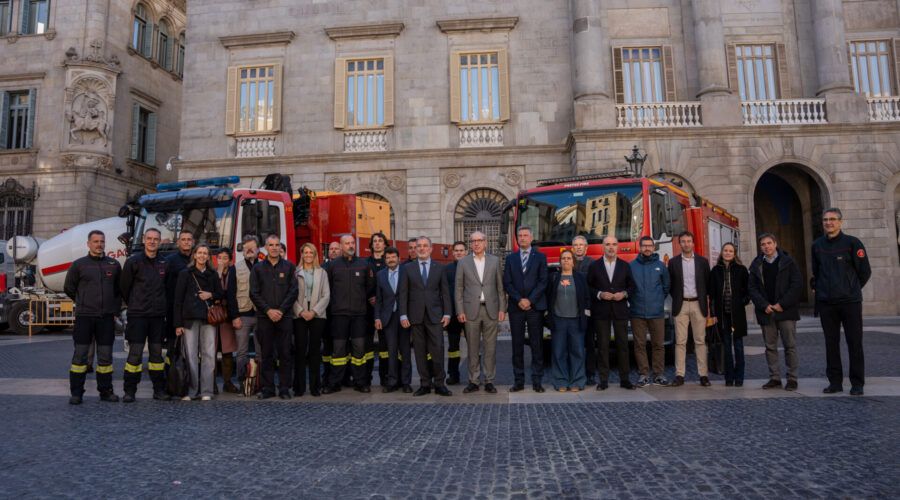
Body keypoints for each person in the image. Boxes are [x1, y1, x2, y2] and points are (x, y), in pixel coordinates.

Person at [811, 208, 871, 396]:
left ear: (840, 222)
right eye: (825, 219)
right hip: (827, 303)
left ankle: (857, 383)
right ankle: (835, 382)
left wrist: (851, 288)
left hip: (850, 302)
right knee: (831, 344)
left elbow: (865, 271)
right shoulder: (817, 245)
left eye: (833, 219)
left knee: (854, 343)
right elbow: (817, 273)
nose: (829, 222)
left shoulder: (853, 243)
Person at [63, 230, 122, 405]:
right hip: (84, 318)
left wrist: (114, 310)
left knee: (105, 358)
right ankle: (76, 393)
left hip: (106, 319)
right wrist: (82, 302)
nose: (99, 244)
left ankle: (105, 391)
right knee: (80, 357)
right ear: (88, 244)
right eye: (95, 241)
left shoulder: (114, 264)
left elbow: (119, 291)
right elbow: (69, 288)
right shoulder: (79, 265)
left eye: (102, 241)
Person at [119, 228, 170, 402]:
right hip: (138, 316)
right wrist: (134, 303)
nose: (152, 242)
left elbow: (167, 289)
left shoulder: (165, 262)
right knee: (135, 354)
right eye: (149, 238)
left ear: (160, 241)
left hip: (157, 317)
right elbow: (124, 288)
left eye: (156, 239)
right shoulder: (133, 262)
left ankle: (159, 390)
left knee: (157, 355)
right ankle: (130, 391)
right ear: (143, 240)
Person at [748, 233, 803, 391]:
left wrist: (782, 304)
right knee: (770, 347)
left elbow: (796, 285)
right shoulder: (756, 264)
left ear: (775, 243)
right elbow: (752, 288)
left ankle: (792, 378)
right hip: (766, 311)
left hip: (785, 311)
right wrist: (764, 304)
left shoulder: (788, 261)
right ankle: (775, 378)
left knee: (790, 346)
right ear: (760, 247)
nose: (766, 246)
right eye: (763, 244)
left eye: (769, 243)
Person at [400, 236, 453, 396]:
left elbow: (445, 292)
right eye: (419, 246)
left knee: (437, 350)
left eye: (425, 246)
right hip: (415, 316)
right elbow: (403, 294)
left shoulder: (439, 268)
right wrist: (403, 315)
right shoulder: (408, 268)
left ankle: (439, 383)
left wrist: (447, 313)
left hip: (435, 316)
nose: (422, 249)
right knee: (420, 351)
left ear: (431, 249)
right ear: (415, 250)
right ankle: (424, 384)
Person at [323, 234, 375, 394]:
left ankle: (360, 382)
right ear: (341, 246)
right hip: (339, 315)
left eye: (352, 243)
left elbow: (369, 288)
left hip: (359, 315)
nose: (351, 246)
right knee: (338, 350)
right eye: (347, 243)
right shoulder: (333, 266)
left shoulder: (364, 264)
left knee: (359, 349)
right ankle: (335, 383)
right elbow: (328, 290)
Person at [455, 231, 506, 394]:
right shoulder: (463, 262)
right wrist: (460, 310)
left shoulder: (494, 261)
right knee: (472, 348)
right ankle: (473, 380)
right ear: (470, 244)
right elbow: (459, 289)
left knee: (490, 348)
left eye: (479, 240)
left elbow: (500, 287)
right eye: (473, 241)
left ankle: (489, 380)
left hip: (490, 309)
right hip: (470, 311)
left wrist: (502, 308)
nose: (476, 243)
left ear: (485, 243)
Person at [249, 235, 299, 399]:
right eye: (271, 245)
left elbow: (293, 292)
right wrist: (269, 310)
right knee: (267, 354)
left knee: (285, 354)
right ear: (265, 247)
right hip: (265, 318)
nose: (274, 248)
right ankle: (268, 388)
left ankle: (284, 388)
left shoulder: (289, 267)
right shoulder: (257, 269)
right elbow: (254, 293)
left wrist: (281, 311)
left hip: (284, 318)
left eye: (277, 245)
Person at [173, 244, 224, 401]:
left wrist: (210, 294)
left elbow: (220, 294)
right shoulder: (185, 274)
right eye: (199, 253)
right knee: (191, 355)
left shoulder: (213, 274)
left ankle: (207, 391)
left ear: (209, 257)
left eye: (205, 253)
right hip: (189, 319)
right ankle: (192, 390)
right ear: (194, 255)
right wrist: (178, 324)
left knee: (209, 355)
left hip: (208, 319)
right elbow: (178, 300)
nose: (202, 256)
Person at [587, 235, 635, 390]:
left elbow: (632, 287)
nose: (611, 247)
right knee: (602, 346)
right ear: (603, 246)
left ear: (618, 246)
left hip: (620, 310)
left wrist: (625, 294)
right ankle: (603, 380)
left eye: (614, 244)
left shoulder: (625, 266)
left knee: (623, 346)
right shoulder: (594, 266)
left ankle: (625, 379)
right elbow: (588, 288)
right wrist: (600, 294)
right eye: (608, 244)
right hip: (601, 311)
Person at [503, 226, 548, 393]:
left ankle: (537, 381)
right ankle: (519, 381)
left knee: (537, 344)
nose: (522, 238)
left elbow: (543, 281)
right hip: (516, 307)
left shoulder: (541, 257)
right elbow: (507, 282)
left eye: (525, 235)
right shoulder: (510, 259)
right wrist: (519, 299)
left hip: (534, 307)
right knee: (517, 345)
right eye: (520, 236)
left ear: (531, 238)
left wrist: (530, 300)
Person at [668, 231, 712, 387]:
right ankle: (679, 375)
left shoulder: (702, 262)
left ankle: (703, 375)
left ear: (693, 243)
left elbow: (708, 284)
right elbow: (670, 285)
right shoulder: (673, 263)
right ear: (679, 244)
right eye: (683, 241)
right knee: (680, 342)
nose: (686, 244)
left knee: (700, 341)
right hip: (681, 305)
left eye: (689, 241)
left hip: (697, 304)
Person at [629, 236, 671, 387]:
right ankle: (643, 374)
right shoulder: (632, 266)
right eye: (644, 246)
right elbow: (629, 287)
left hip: (656, 312)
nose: (647, 248)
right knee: (639, 345)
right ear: (640, 248)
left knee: (658, 344)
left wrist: (658, 300)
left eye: (650, 246)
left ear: (653, 248)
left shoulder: (661, 266)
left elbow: (666, 287)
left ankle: (659, 374)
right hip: (637, 311)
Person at [548, 249, 590, 392]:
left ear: (573, 262)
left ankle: (577, 381)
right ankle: (560, 381)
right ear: (560, 262)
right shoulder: (553, 278)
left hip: (576, 321)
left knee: (577, 352)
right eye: (563, 258)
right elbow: (549, 298)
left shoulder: (580, 278)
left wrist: (586, 316)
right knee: (559, 352)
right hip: (559, 320)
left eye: (568, 258)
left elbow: (586, 298)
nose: (566, 261)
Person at [710, 242, 750, 387]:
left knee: (738, 346)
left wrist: (742, 302)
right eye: (725, 250)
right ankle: (729, 378)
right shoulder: (715, 271)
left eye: (730, 251)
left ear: (734, 254)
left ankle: (739, 378)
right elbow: (712, 295)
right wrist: (713, 313)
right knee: (726, 347)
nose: (727, 253)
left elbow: (748, 290)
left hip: (737, 315)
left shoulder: (741, 270)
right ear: (722, 252)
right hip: (722, 316)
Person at [293, 243, 330, 397]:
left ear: (315, 255)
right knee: (300, 351)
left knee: (315, 352)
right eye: (305, 252)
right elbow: (291, 295)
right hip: (299, 316)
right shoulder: (295, 272)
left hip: (317, 316)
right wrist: (301, 311)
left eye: (311, 253)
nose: (308, 255)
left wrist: (314, 312)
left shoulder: (322, 273)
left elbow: (326, 295)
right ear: (302, 254)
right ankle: (299, 388)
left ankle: (315, 387)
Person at [374, 247, 412, 393]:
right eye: (388, 258)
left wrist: (408, 314)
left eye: (393, 257)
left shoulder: (406, 272)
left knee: (406, 350)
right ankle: (392, 381)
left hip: (404, 317)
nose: (391, 260)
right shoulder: (380, 275)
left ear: (398, 258)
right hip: (387, 318)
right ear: (385, 260)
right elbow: (379, 299)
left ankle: (406, 382)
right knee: (391, 351)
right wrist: (377, 317)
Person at [164, 230, 194, 369]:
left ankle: (187, 378)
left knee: (192, 348)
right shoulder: (170, 260)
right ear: (178, 243)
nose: (186, 242)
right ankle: (172, 378)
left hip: (192, 310)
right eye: (183, 239)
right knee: (173, 346)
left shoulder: (197, 259)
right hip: (174, 310)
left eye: (189, 239)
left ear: (193, 242)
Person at [232, 235, 259, 387]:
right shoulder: (235, 268)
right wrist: (235, 316)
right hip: (243, 315)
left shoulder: (264, 266)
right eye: (246, 247)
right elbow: (231, 294)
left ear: (258, 249)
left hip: (261, 315)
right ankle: (243, 383)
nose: (249, 249)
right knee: (241, 352)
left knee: (261, 351)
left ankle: (258, 382)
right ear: (242, 250)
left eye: (252, 247)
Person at [572, 235, 597, 386]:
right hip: (570, 310)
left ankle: (590, 374)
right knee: (573, 345)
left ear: (586, 248)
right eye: (576, 245)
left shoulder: (593, 265)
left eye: (581, 245)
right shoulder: (567, 263)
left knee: (589, 343)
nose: (579, 247)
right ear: (572, 248)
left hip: (588, 310)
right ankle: (576, 374)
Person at [215, 248, 241, 394]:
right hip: (214, 315)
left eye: (225, 258)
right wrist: (218, 273)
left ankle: (227, 382)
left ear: (230, 260)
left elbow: (231, 292)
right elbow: (216, 291)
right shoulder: (212, 273)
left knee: (228, 351)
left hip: (227, 315)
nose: (222, 261)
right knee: (211, 350)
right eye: (220, 258)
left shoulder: (233, 273)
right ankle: (210, 382)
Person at [444, 241, 468, 385]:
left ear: (466, 252)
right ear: (453, 253)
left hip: (470, 314)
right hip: (453, 314)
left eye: (461, 250)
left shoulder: (472, 267)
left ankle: (475, 375)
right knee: (453, 347)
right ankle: (453, 374)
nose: (459, 252)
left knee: (473, 346)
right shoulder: (446, 270)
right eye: (456, 250)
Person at [366, 232, 387, 387]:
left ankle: (386, 377)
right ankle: (366, 378)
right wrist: (370, 297)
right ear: (371, 245)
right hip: (367, 309)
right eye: (375, 241)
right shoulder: (365, 263)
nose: (378, 243)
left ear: (385, 244)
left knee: (385, 345)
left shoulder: (390, 262)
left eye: (380, 241)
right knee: (366, 345)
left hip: (385, 309)